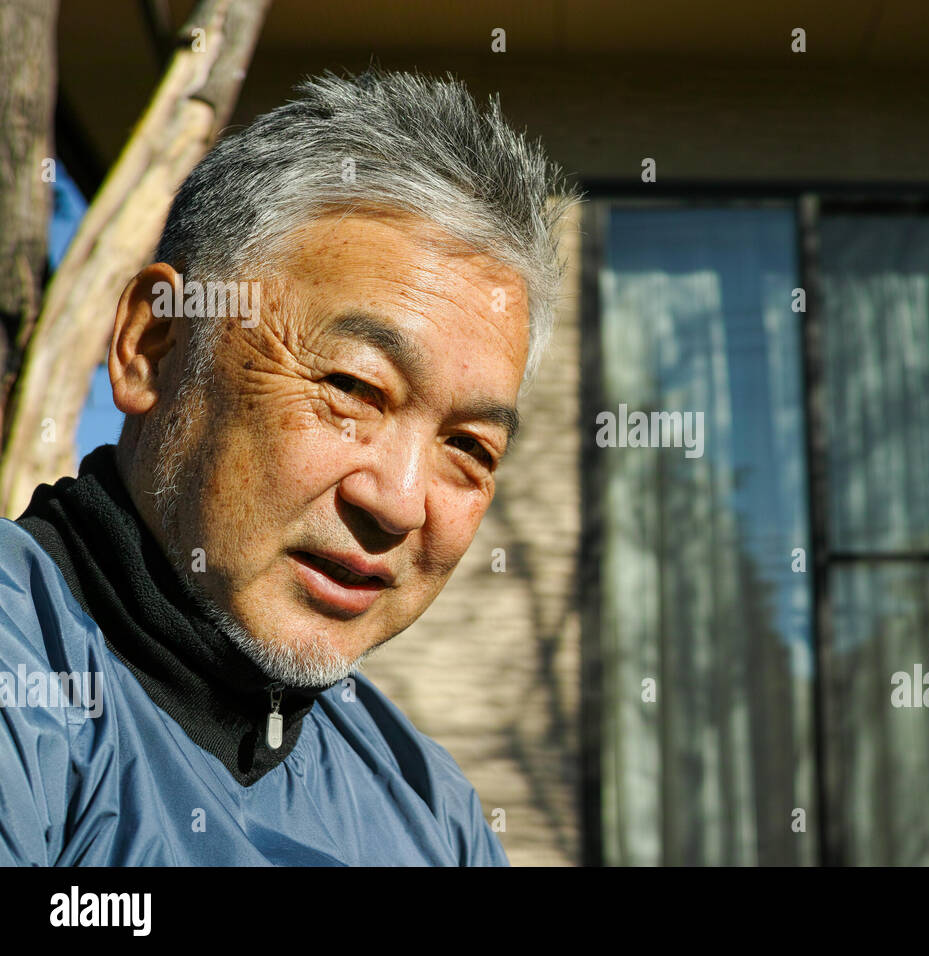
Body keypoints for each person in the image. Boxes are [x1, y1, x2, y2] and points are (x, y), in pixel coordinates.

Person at [0, 68, 578, 865]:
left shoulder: (429, 813)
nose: (401, 503)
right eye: (352, 387)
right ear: (155, 347)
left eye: (470, 446)